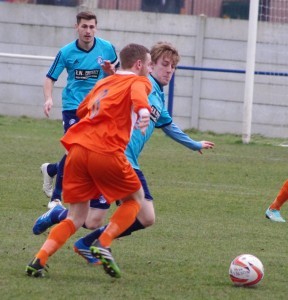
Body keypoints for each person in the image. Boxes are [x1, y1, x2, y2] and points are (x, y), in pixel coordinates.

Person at [32, 42, 215, 265]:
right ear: (149, 65)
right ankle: (95, 243)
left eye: (173, 67)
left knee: (94, 219)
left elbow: (168, 125)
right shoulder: (140, 82)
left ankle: (69, 232)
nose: (169, 70)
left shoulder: (155, 95)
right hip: (114, 155)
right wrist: (138, 105)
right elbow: (131, 91)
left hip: (105, 154)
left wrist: (194, 144)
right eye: (163, 64)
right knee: (136, 214)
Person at [25, 43, 152, 279]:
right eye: (149, 64)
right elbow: (137, 96)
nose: (150, 68)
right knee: (135, 200)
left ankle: (39, 259)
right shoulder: (139, 81)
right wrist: (143, 112)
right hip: (106, 151)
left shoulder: (103, 82)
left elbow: (83, 110)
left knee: (76, 217)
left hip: (77, 151)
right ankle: (103, 243)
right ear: (138, 65)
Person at [41, 11, 118, 209]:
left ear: (96, 28)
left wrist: (111, 75)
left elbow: (115, 75)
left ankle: (51, 169)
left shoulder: (107, 49)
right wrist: (48, 98)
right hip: (73, 107)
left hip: (98, 107)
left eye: (91, 27)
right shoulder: (66, 52)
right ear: (77, 27)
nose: (88, 31)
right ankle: (56, 198)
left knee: (88, 153)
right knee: (75, 149)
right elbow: (50, 77)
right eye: (84, 26)